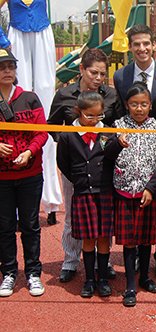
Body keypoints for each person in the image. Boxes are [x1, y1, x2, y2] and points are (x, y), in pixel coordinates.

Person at [48, 48, 121, 283]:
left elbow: (116, 126)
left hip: (103, 169)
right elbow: (52, 125)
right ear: (81, 69)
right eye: (93, 73)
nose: (98, 78)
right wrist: (69, 144)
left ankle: (104, 261)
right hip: (74, 168)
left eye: (102, 73)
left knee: (103, 216)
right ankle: (70, 260)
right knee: (72, 215)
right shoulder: (64, 95)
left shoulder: (110, 96)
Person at [114, 24, 156, 277]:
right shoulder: (120, 76)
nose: (142, 49)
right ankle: (138, 256)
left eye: (146, 44)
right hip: (132, 148)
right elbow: (119, 112)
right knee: (135, 203)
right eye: (136, 44)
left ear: (154, 46)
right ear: (130, 47)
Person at [105, 82, 156, 307]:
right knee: (130, 241)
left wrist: (151, 188)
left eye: (143, 104)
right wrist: (117, 143)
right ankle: (130, 284)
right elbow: (108, 155)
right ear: (127, 105)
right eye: (134, 104)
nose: (139, 108)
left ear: (150, 105)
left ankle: (144, 276)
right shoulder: (118, 125)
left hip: (148, 194)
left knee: (146, 239)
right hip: (124, 192)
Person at [0, 0, 61, 225]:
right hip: (16, 34)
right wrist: (2, 39)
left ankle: (51, 200)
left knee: (46, 96)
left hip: (43, 33)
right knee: (18, 99)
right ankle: (17, 203)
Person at [56, 91, 115, 298]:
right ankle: (89, 279)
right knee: (88, 238)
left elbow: (113, 158)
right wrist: (80, 179)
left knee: (103, 238)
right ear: (78, 112)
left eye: (98, 116)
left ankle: (103, 279)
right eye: (89, 116)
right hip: (83, 192)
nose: (94, 121)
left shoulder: (108, 132)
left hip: (104, 191)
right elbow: (63, 163)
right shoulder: (67, 135)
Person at [0, 48, 48, 297]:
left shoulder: (29, 98)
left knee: (30, 225)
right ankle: (8, 272)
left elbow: (42, 132)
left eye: (10, 66)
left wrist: (29, 152)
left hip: (30, 174)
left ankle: (33, 273)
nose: (7, 70)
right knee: (4, 226)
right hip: (2, 179)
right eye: (2, 67)